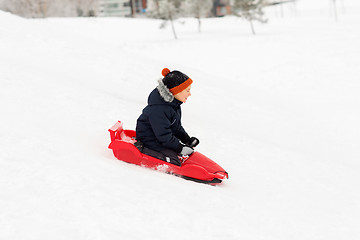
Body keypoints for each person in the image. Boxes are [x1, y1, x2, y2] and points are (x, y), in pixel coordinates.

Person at [135, 68, 199, 166]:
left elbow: (176, 127)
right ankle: (143, 150)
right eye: (187, 90)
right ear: (176, 91)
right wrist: (180, 148)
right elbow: (163, 135)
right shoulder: (159, 109)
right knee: (174, 161)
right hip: (150, 139)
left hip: (161, 139)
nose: (190, 94)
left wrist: (186, 140)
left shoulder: (174, 105)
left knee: (179, 153)